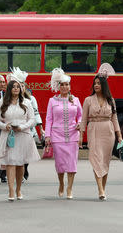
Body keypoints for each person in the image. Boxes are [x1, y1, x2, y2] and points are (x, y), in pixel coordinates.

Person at [77, 63, 123, 201]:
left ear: (104, 85)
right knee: (96, 159)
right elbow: (84, 120)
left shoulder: (111, 100)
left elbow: (115, 118)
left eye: (98, 83)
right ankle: (100, 189)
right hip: (94, 130)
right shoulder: (88, 100)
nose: (96, 85)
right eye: (94, 83)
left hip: (108, 131)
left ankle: (103, 187)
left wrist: (119, 136)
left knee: (105, 161)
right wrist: (81, 136)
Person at [0, 80, 40, 201]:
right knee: (10, 162)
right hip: (8, 135)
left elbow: (32, 120)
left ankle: (18, 189)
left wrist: (22, 127)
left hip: (23, 135)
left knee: (20, 164)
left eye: (18, 87)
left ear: (21, 89)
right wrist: (6, 126)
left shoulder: (26, 102)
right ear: (9, 89)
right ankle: (10, 191)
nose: (16, 89)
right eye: (13, 87)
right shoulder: (3, 102)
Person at [44, 68, 82, 199]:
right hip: (57, 136)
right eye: (62, 84)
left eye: (67, 84)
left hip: (73, 135)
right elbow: (49, 119)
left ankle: (69, 188)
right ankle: (61, 184)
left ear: (69, 86)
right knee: (60, 164)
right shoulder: (52, 101)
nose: (65, 87)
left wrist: (79, 123)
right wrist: (47, 136)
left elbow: (81, 116)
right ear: (58, 86)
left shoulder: (75, 100)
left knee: (72, 163)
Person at [6, 67, 43, 181]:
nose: (20, 87)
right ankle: (14, 174)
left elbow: (35, 114)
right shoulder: (7, 99)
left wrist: (41, 129)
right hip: (12, 132)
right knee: (13, 153)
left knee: (23, 154)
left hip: (28, 131)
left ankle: (23, 170)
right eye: (18, 85)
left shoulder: (31, 99)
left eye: (22, 85)